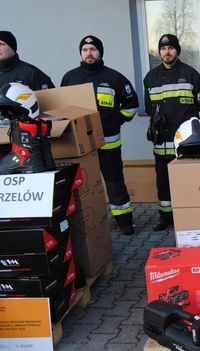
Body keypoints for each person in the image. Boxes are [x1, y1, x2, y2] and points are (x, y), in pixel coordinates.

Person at [62, 35, 139, 235]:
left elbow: (132, 105)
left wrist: (115, 121)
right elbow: (63, 109)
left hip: (109, 143)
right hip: (80, 145)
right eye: (85, 49)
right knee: (83, 185)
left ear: (100, 52)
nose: (89, 53)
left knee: (114, 183)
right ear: (81, 53)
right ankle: (87, 222)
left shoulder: (114, 78)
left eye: (93, 49)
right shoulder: (70, 78)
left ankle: (124, 222)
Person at [144, 34, 200, 231]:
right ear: (160, 52)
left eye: (171, 48)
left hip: (186, 143)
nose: (167, 52)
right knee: (163, 182)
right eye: (163, 48)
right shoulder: (151, 77)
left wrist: (190, 126)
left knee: (187, 181)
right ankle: (166, 217)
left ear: (177, 50)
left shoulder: (190, 74)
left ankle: (189, 215)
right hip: (161, 143)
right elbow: (148, 108)